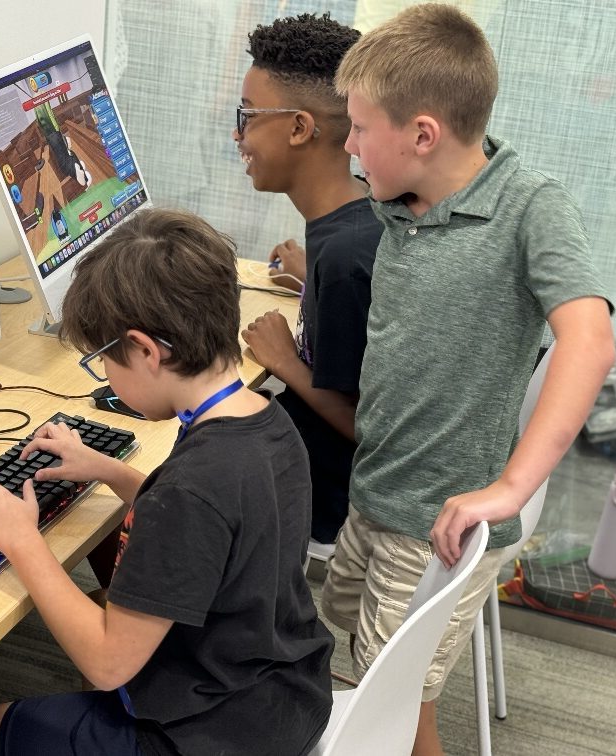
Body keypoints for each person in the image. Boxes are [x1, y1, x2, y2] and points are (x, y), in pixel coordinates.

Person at [319, 5, 616, 755]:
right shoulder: (403, 202)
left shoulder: (531, 208)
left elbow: (589, 342)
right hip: (375, 494)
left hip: (434, 530)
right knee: (339, 658)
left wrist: (511, 487)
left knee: (389, 708)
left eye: (359, 129)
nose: (347, 145)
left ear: (423, 135)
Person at [0, 208, 334, 756]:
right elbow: (213, 528)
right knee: (101, 602)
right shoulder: (268, 420)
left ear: (146, 350)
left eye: (103, 360)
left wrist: (22, 540)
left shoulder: (190, 491)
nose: (105, 377)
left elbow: (107, 663)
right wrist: (108, 469)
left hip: (209, 735)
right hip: (282, 697)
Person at [236, 14, 382, 559]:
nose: (237, 135)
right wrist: (309, 283)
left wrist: (284, 362)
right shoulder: (359, 211)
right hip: (304, 451)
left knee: (171, 449)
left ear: (300, 128)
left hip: (325, 494)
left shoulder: (345, 258)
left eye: (247, 116)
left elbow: (369, 430)